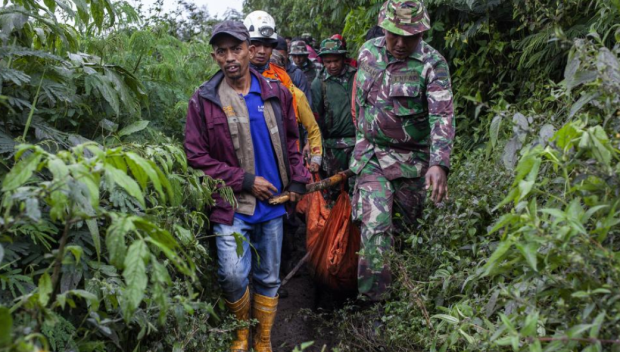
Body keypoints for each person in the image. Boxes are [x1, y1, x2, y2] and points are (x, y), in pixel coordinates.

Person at [184, 20, 309, 352]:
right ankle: (241, 334)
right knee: (233, 275)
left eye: (236, 49)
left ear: (249, 49)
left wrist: (298, 178)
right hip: (230, 206)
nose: (230, 57)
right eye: (222, 51)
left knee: (268, 276)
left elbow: (293, 141)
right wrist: (245, 181)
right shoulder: (204, 100)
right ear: (214, 56)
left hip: (272, 206)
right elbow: (195, 156)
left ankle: (263, 339)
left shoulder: (277, 93)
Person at [351, 0, 454, 302]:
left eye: (409, 36)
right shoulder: (368, 52)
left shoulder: (432, 64)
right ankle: (375, 308)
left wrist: (439, 163)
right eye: (393, 34)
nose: (399, 43)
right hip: (371, 157)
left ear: (421, 32)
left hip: (411, 162)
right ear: (383, 27)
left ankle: (408, 300)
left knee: (408, 231)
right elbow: (359, 99)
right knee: (375, 227)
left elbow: (442, 115)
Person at [311, 38, 357, 199]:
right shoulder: (319, 83)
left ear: (343, 58)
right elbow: (315, 117)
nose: (332, 65)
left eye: (336, 60)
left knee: (356, 186)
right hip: (332, 146)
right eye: (327, 61)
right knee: (334, 189)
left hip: (357, 142)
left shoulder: (356, 76)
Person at [274, 35, 311, 106]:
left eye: (281, 56)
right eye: (274, 56)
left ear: (287, 55)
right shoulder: (263, 73)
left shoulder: (297, 74)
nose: (278, 60)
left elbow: (305, 105)